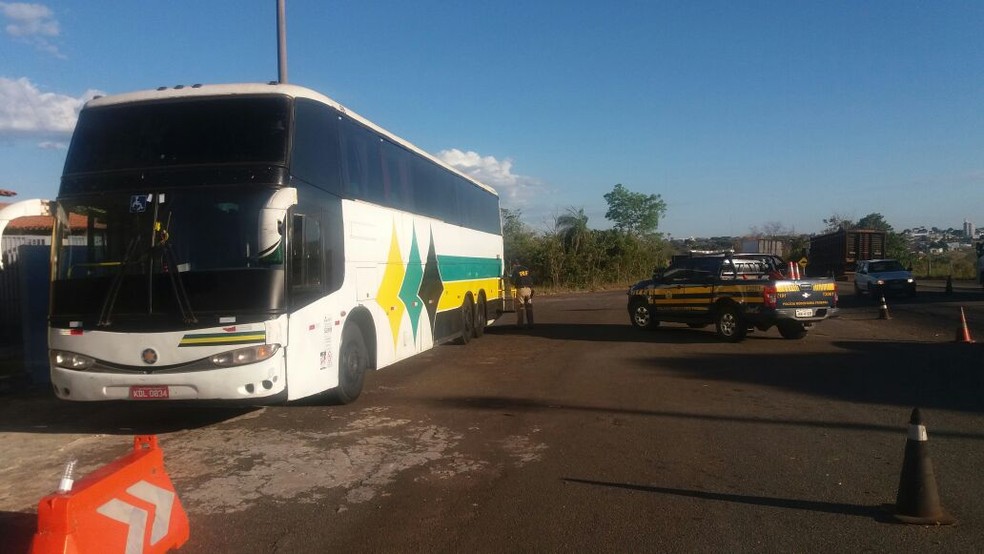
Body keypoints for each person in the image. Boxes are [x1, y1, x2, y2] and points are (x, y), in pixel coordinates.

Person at [510, 261, 534, 328]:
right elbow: (531, 278)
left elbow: (512, 281)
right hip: (529, 289)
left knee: (520, 307)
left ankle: (520, 324)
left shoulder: (516, 270)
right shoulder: (526, 268)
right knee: (529, 306)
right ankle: (531, 323)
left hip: (521, 290)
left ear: (514, 265)